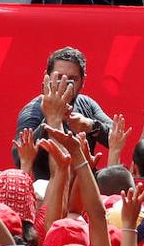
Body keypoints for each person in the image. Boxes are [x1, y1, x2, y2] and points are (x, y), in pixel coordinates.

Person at [13, 47, 113, 179]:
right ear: (47, 77)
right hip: (48, 190)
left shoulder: (86, 104)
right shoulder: (33, 111)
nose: (65, 84)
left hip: (85, 188)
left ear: (83, 82)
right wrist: (50, 119)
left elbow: (116, 136)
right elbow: (18, 156)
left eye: (72, 79)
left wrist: (90, 126)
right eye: (59, 78)